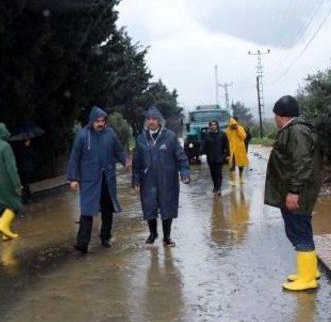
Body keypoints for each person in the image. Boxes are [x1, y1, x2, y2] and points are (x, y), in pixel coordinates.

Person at [265, 95, 322, 291]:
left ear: (280, 115)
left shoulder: (296, 131)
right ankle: (309, 271)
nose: (274, 119)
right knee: (301, 228)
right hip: (297, 189)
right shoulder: (295, 129)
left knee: (299, 231)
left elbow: (301, 163)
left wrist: (293, 191)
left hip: (298, 191)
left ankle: (307, 279)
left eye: (275, 115)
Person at [67, 106, 129, 253]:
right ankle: (82, 244)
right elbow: (74, 158)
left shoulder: (110, 134)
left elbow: (118, 151)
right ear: (91, 121)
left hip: (107, 179)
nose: (100, 124)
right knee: (87, 211)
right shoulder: (82, 136)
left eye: (102, 121)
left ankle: (105, 237)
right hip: (89, 181)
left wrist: (125, 161)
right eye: (97, 121)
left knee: (107, 209)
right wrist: (72, 178)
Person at [132, 107, 191, 247]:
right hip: (148, 180)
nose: (151, 122)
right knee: (149, 206)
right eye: (149, 119)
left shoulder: (170, 137)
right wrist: (136, 179)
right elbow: (136, 162)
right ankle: (153, 234)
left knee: (167, 207)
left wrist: (185, 173)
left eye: (154, 119)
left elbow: (181, 157)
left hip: (167, 179)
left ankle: (167, 237)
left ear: (159, 121)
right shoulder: (141, 139)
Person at [202, 120, 228, 195]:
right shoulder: (206, 135)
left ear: (217, 126)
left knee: (218, 173)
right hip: (210, 157)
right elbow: (204, 145)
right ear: (209, 126)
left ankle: (219, 188)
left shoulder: (222, 134)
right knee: (213, 173)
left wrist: (227, 154)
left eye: (215, 124)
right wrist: (202, 154)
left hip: (220, 157)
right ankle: (215, 187)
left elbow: (227, 145)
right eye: (212, 125)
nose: (213, 126)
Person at [226, 117, 249, 185]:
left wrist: (238, 129)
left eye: (235, 123)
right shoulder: (227, 130)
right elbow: (226, 139)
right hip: (231, 149)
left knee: (241, 164)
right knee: (232, 164)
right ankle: (233, 180)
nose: (234, 124)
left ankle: (241, 177)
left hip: (240, 149)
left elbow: (244, 137)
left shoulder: (240, 128)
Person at [18, 138, 37, 203]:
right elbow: (33, 156)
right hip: (27, 168)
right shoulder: (27, 149)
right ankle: (27, 197)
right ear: (26, 142)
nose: (29, 142)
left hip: (23, 168)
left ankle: (25, 197)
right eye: (28, 141)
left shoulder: (20, 149)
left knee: (25, 183)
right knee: (26, 183)